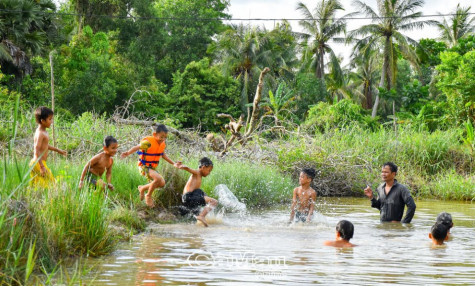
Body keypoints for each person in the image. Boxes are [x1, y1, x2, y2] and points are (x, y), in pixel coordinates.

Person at [121, 124, 180, 207]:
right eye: (161, 137)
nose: (163, 139)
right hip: (143, 166)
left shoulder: (162, 144)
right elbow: (136, 147)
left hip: (152, 168)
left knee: (162, 183)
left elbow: (164, 155)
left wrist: (173, 163)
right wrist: (127, 153)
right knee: (158, 178)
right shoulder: (148, 142)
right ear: (155, 134)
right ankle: (148, 195)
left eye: (165, 137)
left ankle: (142, 188)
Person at [30, 106, 67, 187]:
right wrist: (42, 166)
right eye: (50, 119)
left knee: (37, 186)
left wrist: (58, 150)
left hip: (38, 163)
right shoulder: (40, 133)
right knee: (52, 184)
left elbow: (45, 146)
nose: (52, 121)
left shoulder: (44, 132)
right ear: (42, 121)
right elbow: (36, 150)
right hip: (38, 163)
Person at [178, 157, 217, 227]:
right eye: (209, 170)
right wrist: (183, 166)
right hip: (189, 197)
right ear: (203, 167)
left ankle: (199, 217)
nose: (209, 173)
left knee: (201, 193)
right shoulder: (197, 173)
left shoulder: (199, 175)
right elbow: (190, 169)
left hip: (189, 198)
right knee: (213, 202)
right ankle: (201, 216)